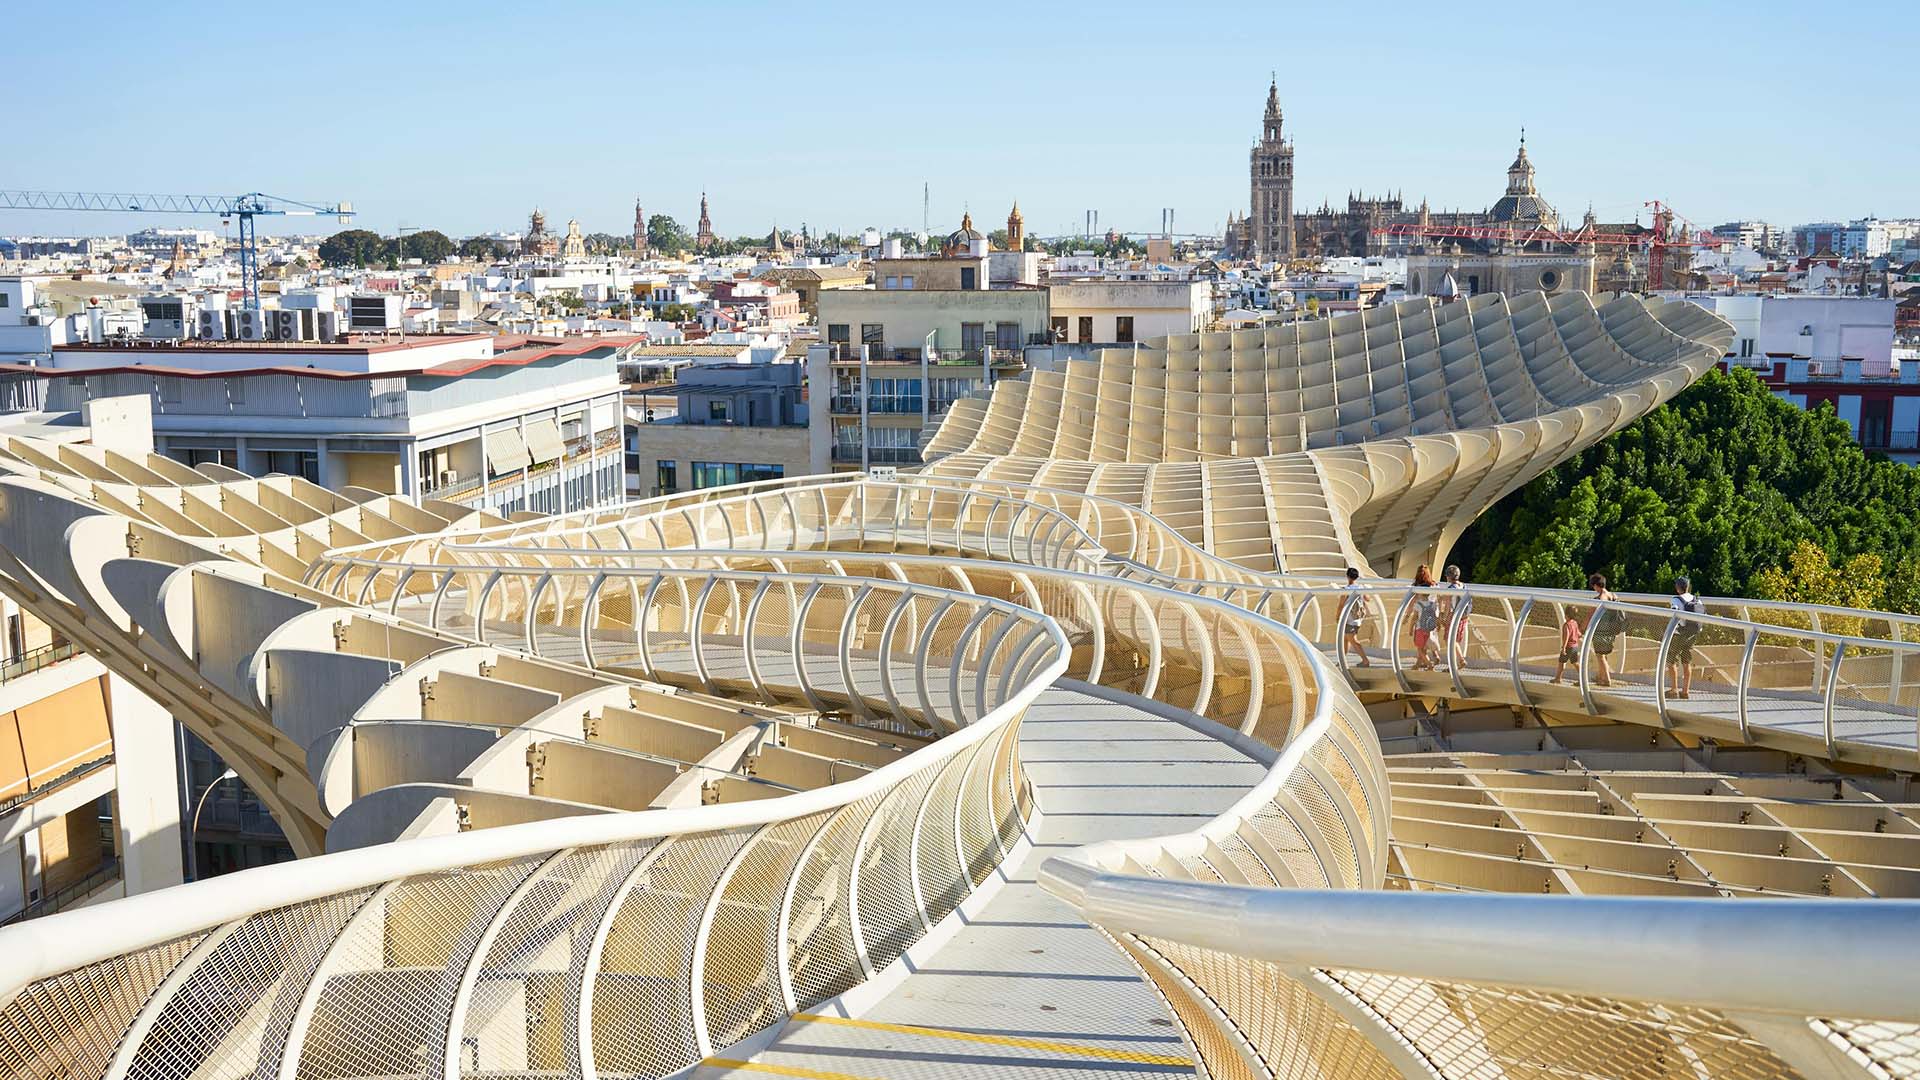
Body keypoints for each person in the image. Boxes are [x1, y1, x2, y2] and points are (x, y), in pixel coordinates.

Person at [1667, 575, 1705, 700]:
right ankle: (1685, 691)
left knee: (1671, 660)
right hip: (1693, 634)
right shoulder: (1697, 600)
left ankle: (1674, 690)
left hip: (1679, 634)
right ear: (1688, 587)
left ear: (1678, 587)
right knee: (1686, 660)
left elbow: (1674, 613)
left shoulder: (1676, 600)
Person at [1587, 572, 1624, 687]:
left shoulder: (1602, 597)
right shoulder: (1613, 595)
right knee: (1604, 654)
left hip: (1601, 630)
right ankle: (1601, 676)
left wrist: (1583, 626)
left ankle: (1606, 680)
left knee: (1600, 655)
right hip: (1610, 629)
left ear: (1596, 585)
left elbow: (1593, 612)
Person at [1436, 563, 1468, 669]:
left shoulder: (1451, 588)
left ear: (1449, 577)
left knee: (1449, 640)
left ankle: (1458, 662)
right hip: (1463, 617)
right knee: (1455, 640)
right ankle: (1459, 661)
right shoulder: (1463, 586)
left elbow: (1448, 606)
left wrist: (1443, 618)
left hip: (1454, 617)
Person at [1410, 565, 1441, 670]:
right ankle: (1435, 656)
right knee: (1430, 637)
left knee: (1421, 641)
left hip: (1421, 615)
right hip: (1433, 612)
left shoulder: (1417, 586)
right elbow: (1438, 598)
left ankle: (1422, 662)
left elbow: (1412, 601)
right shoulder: (1434, 584)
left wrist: (1407, 616)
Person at [1341, 566, 1371, 668]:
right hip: (1358, 618)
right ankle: (1342, 660)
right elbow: (1368, 599)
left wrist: (1337, 617)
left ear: (1347, 577)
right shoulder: (1360, 588)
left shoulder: (1346, 590)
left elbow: (1341, 605)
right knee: (1345, 638)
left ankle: (1365, 660)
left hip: (1349, 619)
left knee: (1353, 640)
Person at [1550, 611, 1583, 684]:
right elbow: (1579, 634)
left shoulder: (1566, 625)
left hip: (1568, 647)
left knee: (1561, 662)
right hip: (1575, 646)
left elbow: (1566, 637)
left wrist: (1564, 648)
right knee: (1575, 662)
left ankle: (1558, 679)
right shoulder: (1574, 623)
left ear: (1567, 615)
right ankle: (1582, 678)